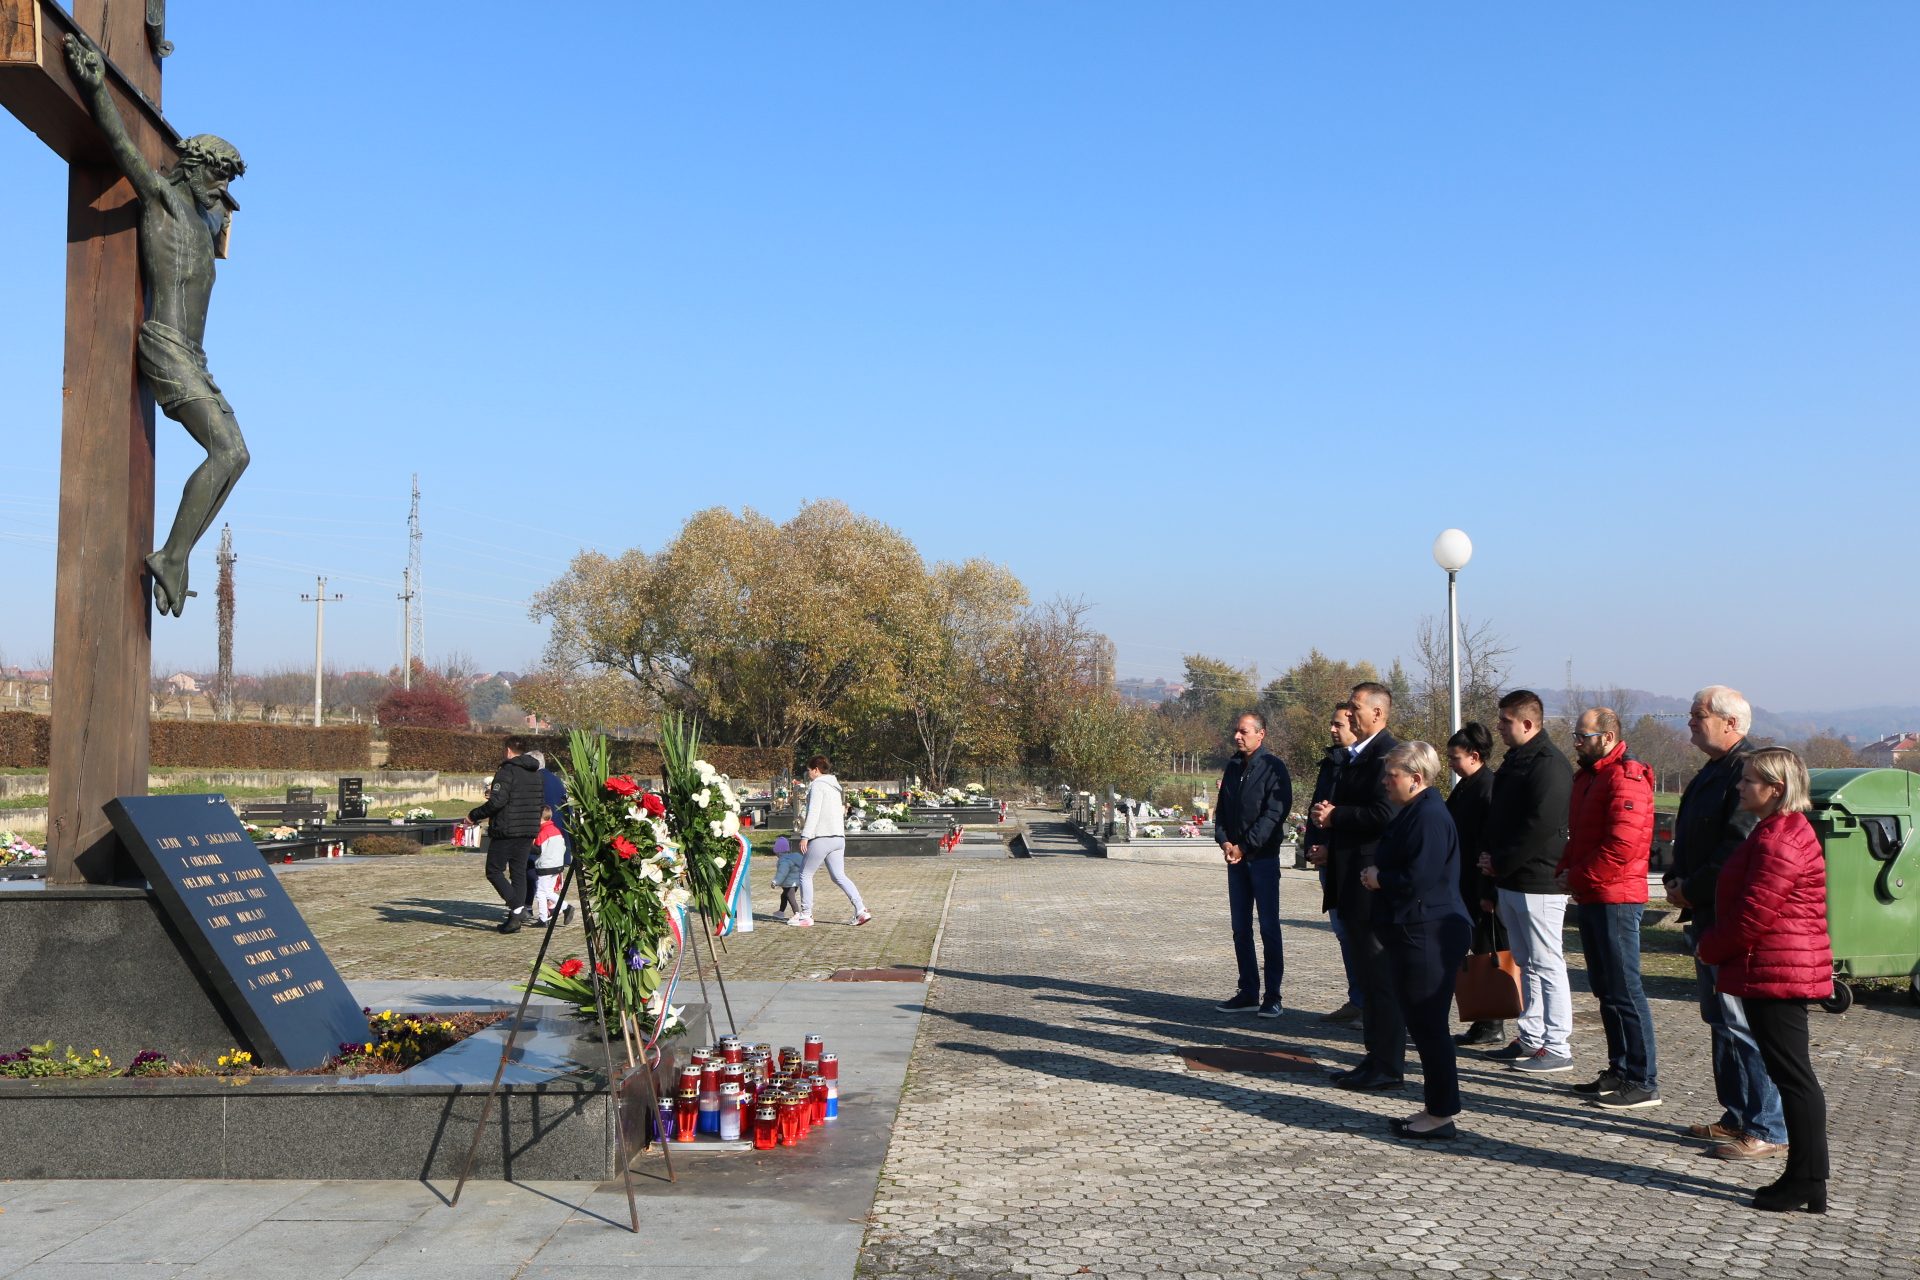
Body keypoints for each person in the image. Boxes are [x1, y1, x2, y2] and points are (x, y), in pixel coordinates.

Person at [1696, 747, 1832, 1214]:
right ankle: (1806, 1180)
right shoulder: (1776, 830)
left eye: (1749, 780)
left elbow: (1754, 915)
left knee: (1793, 1078)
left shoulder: (1780, 839)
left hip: (1779, 969)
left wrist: (1709, 946)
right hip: (1776, 966)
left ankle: (1807, 1180)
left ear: (1776, 790)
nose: (1740, 785)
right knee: (1791, 1075)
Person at [1666, 686, 1787, 1160]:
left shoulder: (1747, 772)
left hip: (1728, 917)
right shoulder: (1713, 769)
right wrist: (1676, 878)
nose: (1690, 723)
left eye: (1698, 715)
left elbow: (1735, 847)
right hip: (1705, 912)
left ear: (1730, 723)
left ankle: (1768, 1126)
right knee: (1719, 1020)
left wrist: (1690, 888)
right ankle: (1736, 1115)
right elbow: (1690, 837)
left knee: (1741, 1023)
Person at [1361, 741, 1472, 1138]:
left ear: (1416, 778)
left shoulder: (1429, 815)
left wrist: (1379, 879)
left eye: (1392, 775)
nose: (1386, 782)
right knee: (1423, 1025)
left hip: (1429, 933)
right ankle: (1435, 1108)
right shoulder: (1416, 811)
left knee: (1429, 1026)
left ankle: (1441, 1115)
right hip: (1415, 931)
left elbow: (1418, 880)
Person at [1557, 708, 1660, 1108]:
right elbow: (1579, 835)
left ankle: (1643, 1079)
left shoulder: (1625, 777)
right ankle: (1619, 1070)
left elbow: (1622, 845)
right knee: (1606, 989)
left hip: (1616, 897)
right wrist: (1566, 869)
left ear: (1608, 735)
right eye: (1576, 736)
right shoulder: (1591, 776)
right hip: (1595, 894)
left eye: (1583, 736)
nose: (1577, 742)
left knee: (1624, 989)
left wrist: (1577, 877)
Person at [1309, 682, 1403, 1090]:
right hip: (1351, 879)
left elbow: (1384, 813)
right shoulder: (1358, 754)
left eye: (1355, 708)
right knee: (1368, 976)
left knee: (1381, 979)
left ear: (1377, 714)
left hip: (1370, 881)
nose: (1350, 715)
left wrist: (1336, 816)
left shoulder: (1387, 756)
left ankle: (1387, 1064)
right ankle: (1373, 1058)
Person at [1477, 689, 1576, 1073]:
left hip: (1539, 880)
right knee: (1524, 961)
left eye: (1505, 721)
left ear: (1528, 724)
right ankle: (1531, 1036)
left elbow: (1541, 824)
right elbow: (1498, 818)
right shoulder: (1516, 761)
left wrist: (1500, 861)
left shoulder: (1549, 764)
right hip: (1511, 879)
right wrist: (1491, 862)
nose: (1499, 727)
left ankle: (1557, 1045)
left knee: (1548, 962)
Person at [1213, 711, 1295, 1017]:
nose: (1237, 736)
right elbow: (1221, 812)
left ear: (1260, 735)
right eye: (1236, 730)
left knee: (1269, 928)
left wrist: (1245, 847)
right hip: (1235, 861)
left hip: (1261, 860)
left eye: (1243, 731)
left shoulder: (1274, 768)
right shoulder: (1233, 766)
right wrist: (1224, 842)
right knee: (1240, 928)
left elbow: (1274, 814)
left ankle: (1272, 995)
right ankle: (1247, 991)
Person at [1445, 722, 1501, 1047]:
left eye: (1455, 758)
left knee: (1485, 953)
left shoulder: (1487, 787)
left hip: (1478, 885)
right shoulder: (1466, 786)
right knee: (1474, 953)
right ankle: (1480, 1021)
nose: (1451, 764)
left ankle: (1492, 1022)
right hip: (1462, 883)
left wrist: (1487, 891)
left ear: (1475, 756)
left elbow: (1487, 841)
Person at [1311, 703, 1364, 1024]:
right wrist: (1312, 848)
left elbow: (1362, 817)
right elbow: (1315, 807)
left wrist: (1335, 850)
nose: (1332, 729)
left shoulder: (1364, 766)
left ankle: (1370, 1002)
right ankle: (1356, 999)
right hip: (1326, 862)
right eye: (1331, 723)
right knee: (1344, 934)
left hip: (1350, 864)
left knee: (1359, 935)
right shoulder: (1330, 763)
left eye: (1339, 725)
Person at [468, 736, 547, 934]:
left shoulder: (507, 770)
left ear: (509, 750)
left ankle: (517, 908)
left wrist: (473, 815)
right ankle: (514, 921)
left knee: (494, 871)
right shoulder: (536, 774)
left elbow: (497, 802)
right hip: (528, 829)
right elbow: (539, 804)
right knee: (518, 872)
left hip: (507, 830)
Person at [795, 755, 871, 928]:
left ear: (816, 769)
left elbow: (813, 813)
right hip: (838, 838)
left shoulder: (818, 786)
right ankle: (861, 909)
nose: (808, 774)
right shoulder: (835, 787)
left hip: (822, 837)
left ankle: (806, 914)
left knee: (805, 874)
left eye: (809, 770)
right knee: (839, 876)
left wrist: (805, 836)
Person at [528, 806, 567, 925]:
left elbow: (538, 850)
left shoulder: (543, 831)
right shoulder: (556, 830)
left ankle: (543, 919)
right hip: (557, 864)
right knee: (549, 891)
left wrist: (527, 844)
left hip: (546, 866)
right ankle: (565, 907)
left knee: (540, 892)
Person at [771, 835, 806, 918]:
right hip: (795, 882)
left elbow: (782, 873)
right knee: (784, 895)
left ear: (778, 852)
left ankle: (797, 914)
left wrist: (775, 882)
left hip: (788, 883)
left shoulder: (784, 861)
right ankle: (781, 911)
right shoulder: (793, 858)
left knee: (791, 898)